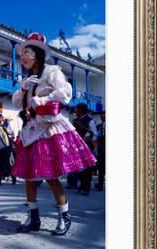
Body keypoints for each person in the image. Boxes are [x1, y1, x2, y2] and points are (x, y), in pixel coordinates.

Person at [10, 33, 97, 236]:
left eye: (27, 52)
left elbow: (65, 92)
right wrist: (23, 89)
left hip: (48, 129)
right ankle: (33, 218)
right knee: (29, 177)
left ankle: (64, 217)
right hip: (31, 130)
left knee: (51, 175)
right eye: (22, 53)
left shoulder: (51, 71)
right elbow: (16, 103)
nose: (23, 57)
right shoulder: (28, 79)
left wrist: (42, 99)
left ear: (37, 55)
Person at [71, 103, 98, 195]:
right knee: (79, 167)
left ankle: (86, 188)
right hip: (76, 147)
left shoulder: (90, 121)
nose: (75, 111)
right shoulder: (75, 121)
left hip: (86, 147)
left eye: (76, 109)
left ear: (81, 110)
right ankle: (81, 185)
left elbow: (94, 134)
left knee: (87, 168)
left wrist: (86, 139)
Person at [94, 111, 106, 191]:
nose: (102, 117)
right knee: (101, 167)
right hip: (101, 148)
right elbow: (96, 136)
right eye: (101, 115)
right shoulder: (99, 126)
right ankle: (100, 184)